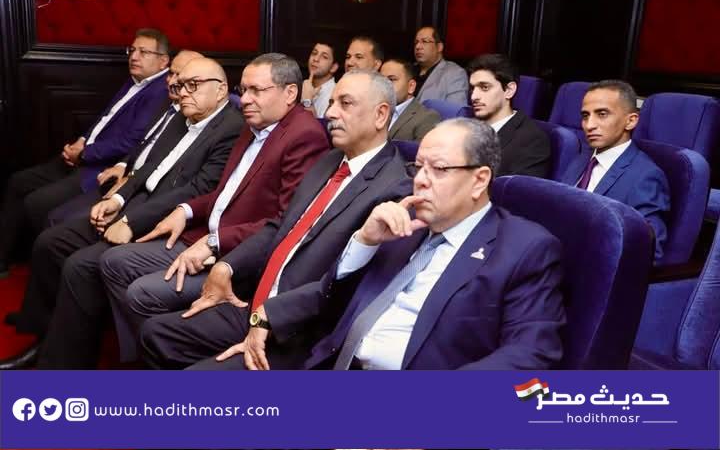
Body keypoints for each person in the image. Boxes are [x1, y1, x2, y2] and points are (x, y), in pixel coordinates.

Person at [192, 118, 566, 371]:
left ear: (479, 179)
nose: (421, 180)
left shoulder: (525, 248)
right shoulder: (403, 227)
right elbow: (331, 298)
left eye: (438, 169)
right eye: (418, 167)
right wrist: (364, 242)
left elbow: (531, 355)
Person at [34, 53, 330, 369]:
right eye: (244, 90)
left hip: (237, 256)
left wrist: (215, 242)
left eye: (256, 90)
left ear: (290, 93)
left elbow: (287, 223)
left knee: (139, 291)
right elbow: (221, 192)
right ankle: (153, 352)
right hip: (203, 233)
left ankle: (163, 350)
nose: (245, 99)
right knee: (112, 261)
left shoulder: (303, 135)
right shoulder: (255, 125)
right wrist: (185, 210)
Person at [140, 69, 414, 370]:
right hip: (256, 301)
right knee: (155, 334)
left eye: (345, 104)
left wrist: (271, 315)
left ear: (380, 115)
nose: (330, 113)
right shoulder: (330, 161)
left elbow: (350, 284)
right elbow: (281, 226)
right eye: (331, 102)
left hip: (297, 332)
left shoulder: (394, 189)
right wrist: (228, 265)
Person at [0, 57, 242, 369]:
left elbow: (196, 190)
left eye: (193, 85)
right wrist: (117, 199)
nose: (182, 91)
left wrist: (130, 221)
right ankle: (41, 335)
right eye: (181, 84)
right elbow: (148, 167)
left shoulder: (231, 129)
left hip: (168, 218)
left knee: (80, 266)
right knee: (50, 242)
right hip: (138, 201)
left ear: (221, 89)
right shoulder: (183, 116)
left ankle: (60, 367)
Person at [0, 28, 171, 277]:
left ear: (163, 61)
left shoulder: (160, 91)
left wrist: (84, 154)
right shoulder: (134, 81)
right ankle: (5, 259)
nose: (134, 56)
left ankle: (43, 271)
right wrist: (80, 142)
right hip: (85, 154)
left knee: (36, 203)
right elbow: (104, 119)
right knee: (18, 181)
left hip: (100, 167)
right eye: (132, 50)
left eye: (143, 52)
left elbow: (131, 142)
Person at [45, 49, 204, 226]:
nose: (171, 81)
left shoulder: (192, 118)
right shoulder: (167, 102)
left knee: (57, 224)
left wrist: (130, 179)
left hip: (141, 193)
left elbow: (162, 164)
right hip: (120, 176)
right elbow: (142, 142)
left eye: (180, 77)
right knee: (54, 216)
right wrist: (122, 165)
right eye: (171, 73)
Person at [560, 80, 670, 262]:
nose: (589, 125)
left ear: (631, 121)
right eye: (585, 116)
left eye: (602, 114)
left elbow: (649, 252)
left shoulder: (646, 176)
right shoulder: (581, 157)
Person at [467, 53, 550, 178]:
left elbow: (518, 189)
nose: (474, 97)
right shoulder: (466, 127)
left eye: (484, 87)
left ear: (509, 90)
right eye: (472, 88)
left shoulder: (532, 141)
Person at [380, 58, 441, 142]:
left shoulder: (427, 117)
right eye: (381, 80)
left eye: (392, 79)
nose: (384, 85)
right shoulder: (372, 112)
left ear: (411, 86)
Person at [413, 26, 468, 105]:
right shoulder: (408, 70)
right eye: (416, 42)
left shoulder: (455, 73)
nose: (418, 47)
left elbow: (455, 109)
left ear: (439, 47)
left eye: (425, 41)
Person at [300, 41, 339, 117]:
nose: (316, 59)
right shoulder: (303, 85)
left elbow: (320, 125)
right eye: (314, 53)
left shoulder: (335, 93)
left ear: (333, 67)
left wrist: (307, 101)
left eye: (324, 57)